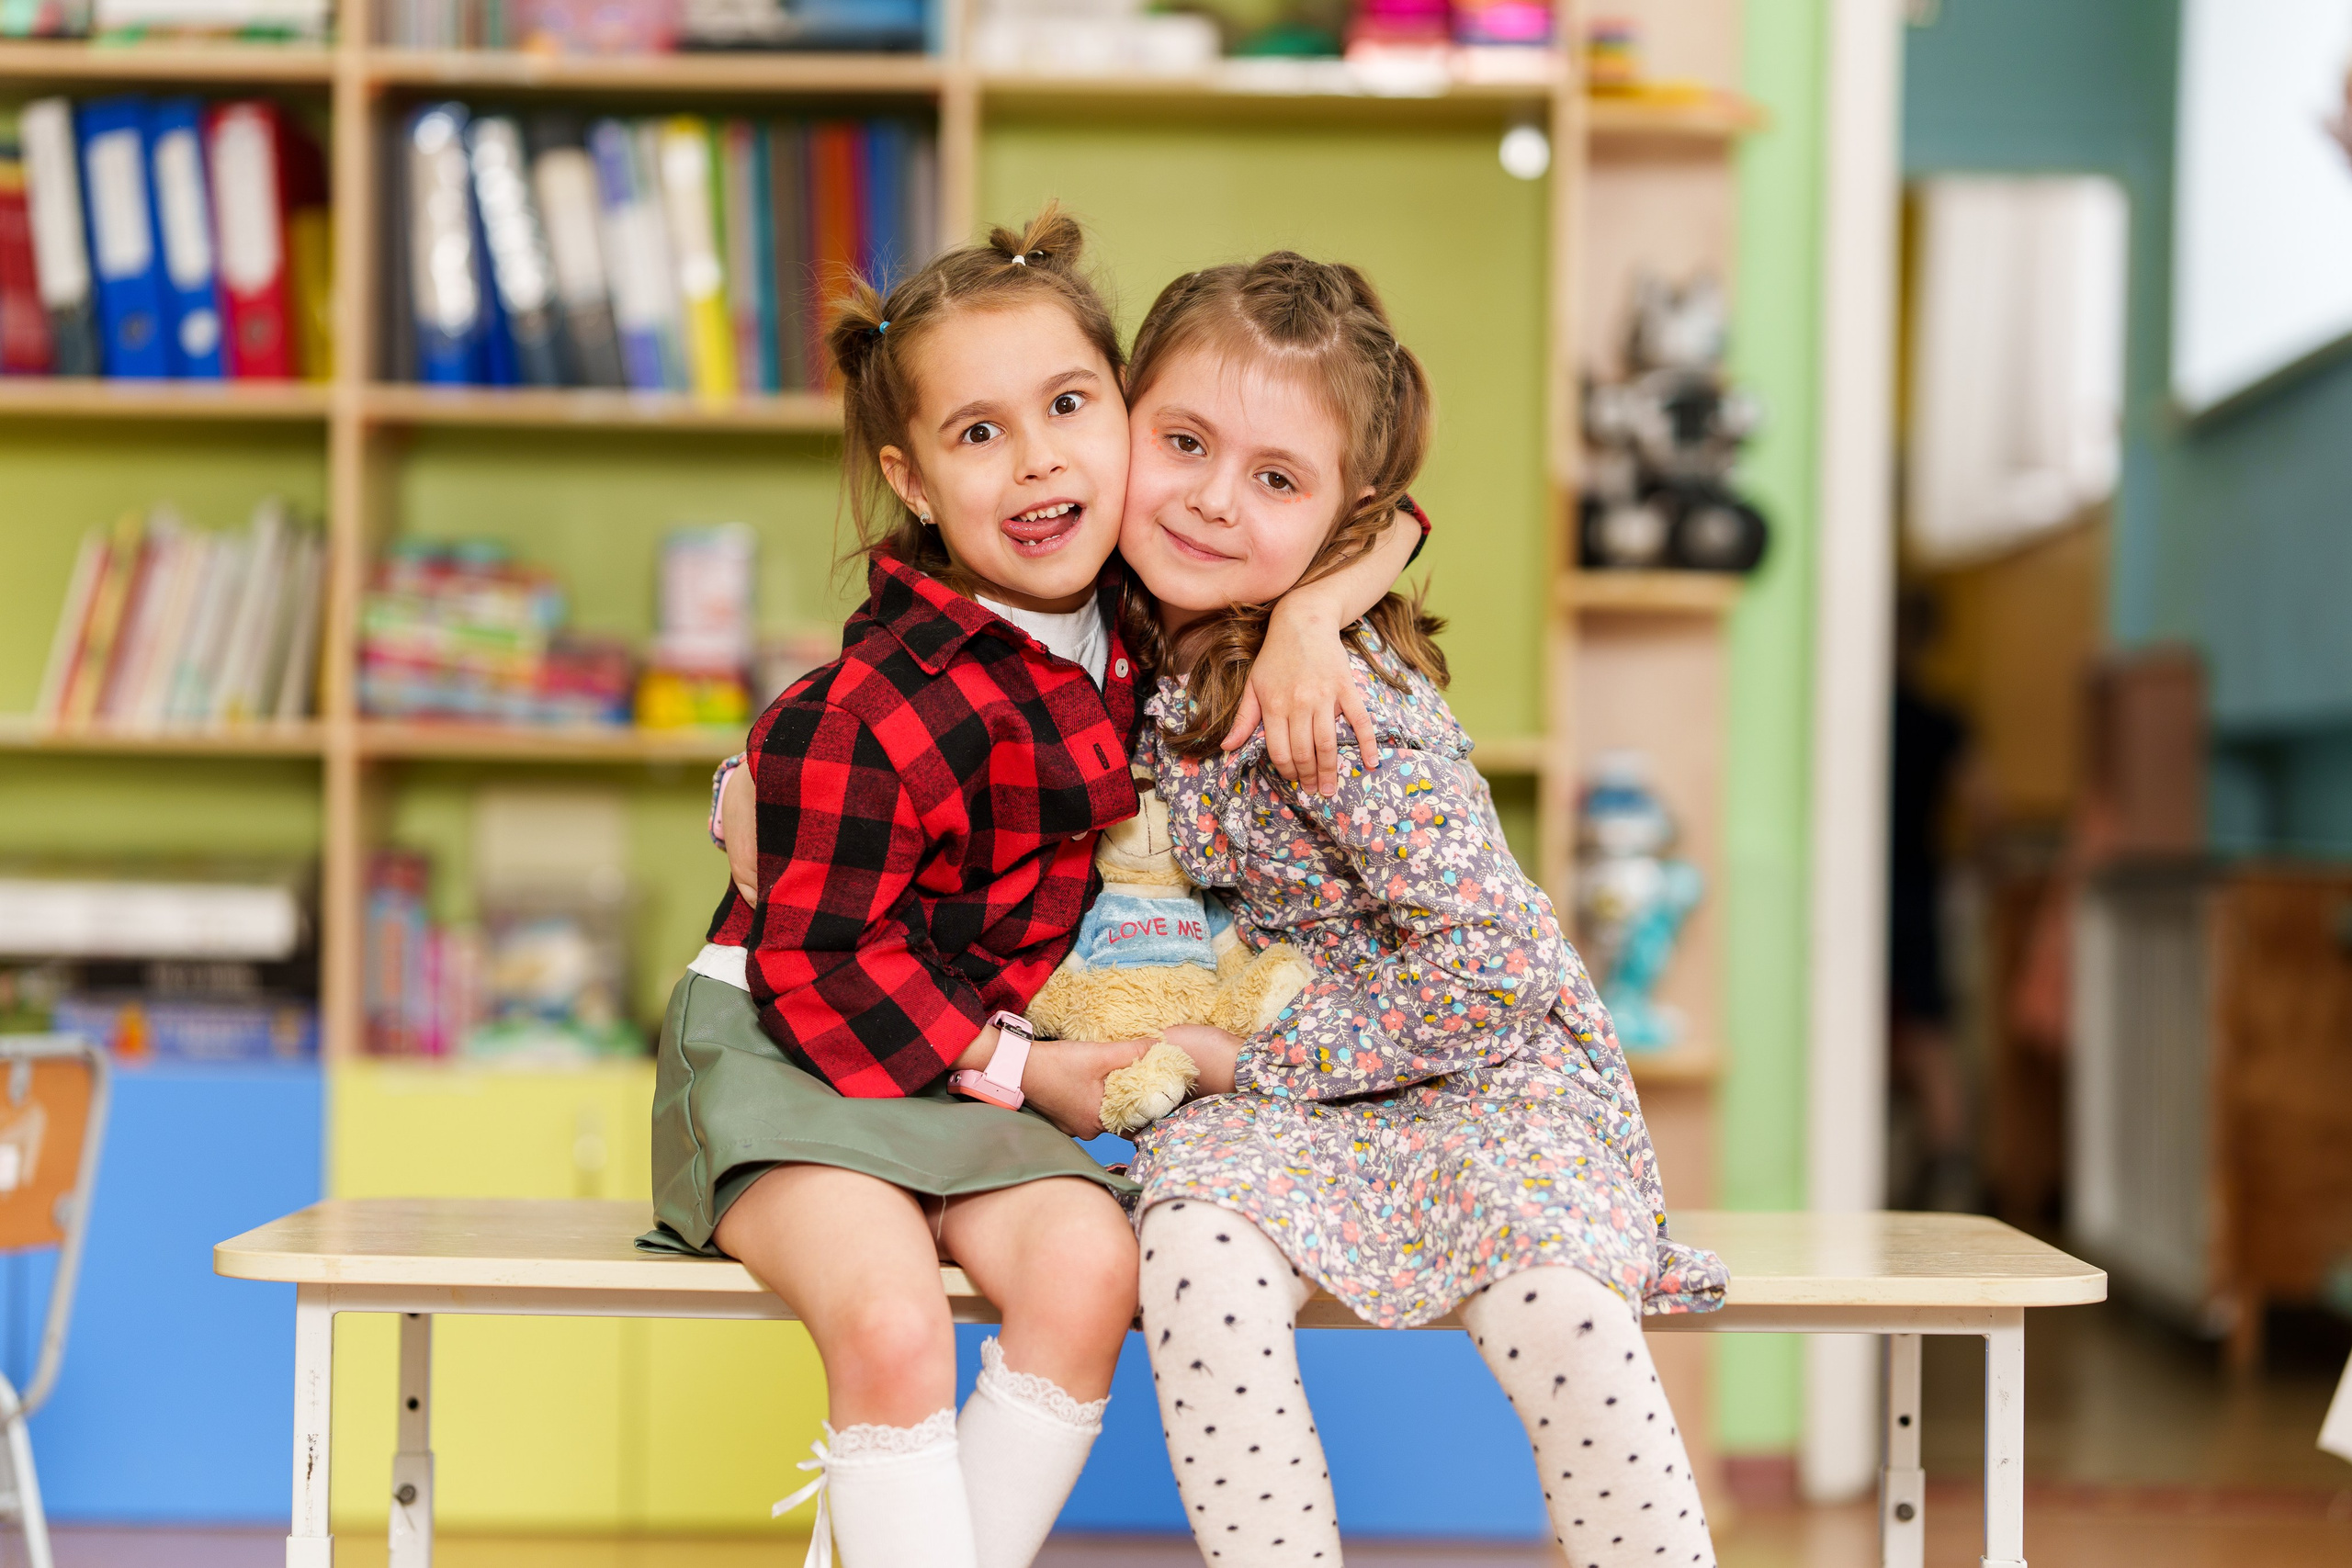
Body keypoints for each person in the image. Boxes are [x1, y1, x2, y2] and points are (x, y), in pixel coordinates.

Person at [641, 207, 1424, 1568]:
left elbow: (1394, 510)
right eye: (978, 434)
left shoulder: (1132, 609)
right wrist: (1025, 1070)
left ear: (1127, 415)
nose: (1039, 459)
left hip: (959, 1069)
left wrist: (1305, 619)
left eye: (1071, 405)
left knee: (1089, 1268)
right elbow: (827, 968)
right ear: (916, 481)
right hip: (789, 1049)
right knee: (889, 1319)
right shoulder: (885, 699)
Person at [1115, 253, 1729, 1568]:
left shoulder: (1340, 704)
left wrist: (1253, 1057)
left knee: (1561, 1304)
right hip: (1297, 1108)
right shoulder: (1122, 637)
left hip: (1480, 1074)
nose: (1214, 499)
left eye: (1275, 479)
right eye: (1181, 442)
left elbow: (1494, 971)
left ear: (1342, 524)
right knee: (1194, 1253)